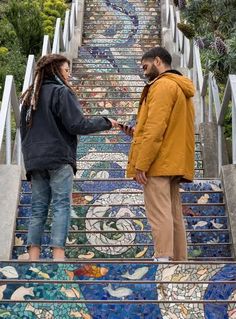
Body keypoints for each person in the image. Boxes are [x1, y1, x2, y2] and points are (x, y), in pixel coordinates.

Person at [20, 53, 118, 261]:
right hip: (58, 158)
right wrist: (105, 121)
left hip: (35, 161)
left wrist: (30, 157)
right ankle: (58, 257)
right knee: (61, 205)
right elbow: (77, 124)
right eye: (66, 70)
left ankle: (33, 257)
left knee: (38, 207)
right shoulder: (61, 92)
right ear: (55, 70)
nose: (69, 74)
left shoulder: (30, 97)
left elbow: (23, 132)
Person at [122, 47, 195, 261]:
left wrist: (141, 164)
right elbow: (169, 127)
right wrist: (136, 133)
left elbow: (155, 129)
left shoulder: (162, 86)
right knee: (173, 214)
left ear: (157, 61)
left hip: (158, 161)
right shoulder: (181, 88)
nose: (144, 72)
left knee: (158, 213)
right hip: (174, 160)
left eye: (145, 66)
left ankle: (163, 258)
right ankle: (179, 261)